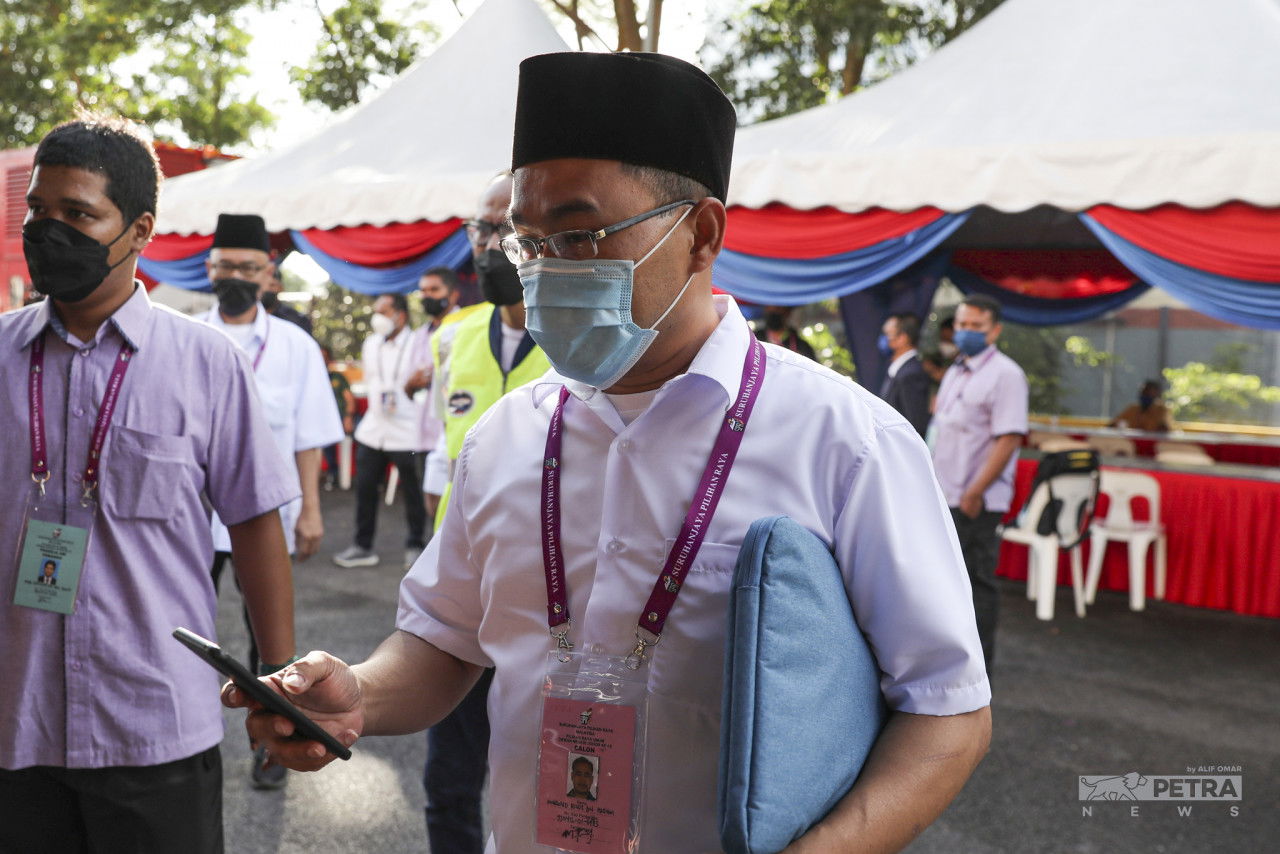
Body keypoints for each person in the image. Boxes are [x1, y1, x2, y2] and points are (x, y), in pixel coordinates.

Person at [226, 53, 990, 854]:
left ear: (699, 235)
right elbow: (444, 639)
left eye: (581, 234)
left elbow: (948, 710)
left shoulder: (845, 443)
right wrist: (357, 694)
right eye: (529, 241)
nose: (546, 271)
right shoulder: (507, 436)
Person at [2, 115, 298, 854]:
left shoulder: (207, 364)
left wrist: (279, 680)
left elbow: (255, 522)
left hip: (154, 727)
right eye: (39, 210)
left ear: (137, 232)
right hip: (15, 724)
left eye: (77, 215)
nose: (49, 230)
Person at [417, 174, 548, 854]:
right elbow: (444, 457)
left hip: (551, 603)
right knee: (449, 779)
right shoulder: (451, 338)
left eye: (508, 230)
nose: (491, 245)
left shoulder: (579, 344)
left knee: (544, 784)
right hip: (467, 598)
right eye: (481, 229)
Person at [199, 213, 343, 789]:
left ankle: (272, 744)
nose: (235, 275)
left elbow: (308, 436)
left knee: (269, 643)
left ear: (268, 275)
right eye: (225, 265)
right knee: (181, 628)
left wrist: (309, 508)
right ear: (208, 270)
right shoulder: (185, 339)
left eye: (247, 266)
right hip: (192, 520)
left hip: (267, 519)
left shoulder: (294, 346)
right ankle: (180, 738)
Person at [931, 293, 1028, 676]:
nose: (967, 332)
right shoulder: (956, 369)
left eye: (976, 326)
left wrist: (975, 492)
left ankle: (979, 670)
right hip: (944, 492)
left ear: (995, 330)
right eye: (962, 325)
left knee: (976, 581)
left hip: (975, 500)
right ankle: (949, 663)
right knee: (945, 582)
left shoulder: (1006, 374)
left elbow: (1009, 438)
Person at [333, 293, 427, 569]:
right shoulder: (371, 343)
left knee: (413, 492)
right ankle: (362, 546)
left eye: (383, 311)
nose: (377, 317)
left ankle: (415, 544)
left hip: (406, 428)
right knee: (364, 489)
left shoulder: (417, 343)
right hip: (373, 429)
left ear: (401, 315)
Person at [402, 266, 470, 526]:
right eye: (423, 291)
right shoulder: (420, 335)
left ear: (453, 295)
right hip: (424, 433)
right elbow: (407, 387)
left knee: (457, 508)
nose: (427, 296)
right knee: (431, 504)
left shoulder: (467, 328)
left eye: (435, 290)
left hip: (455, 434)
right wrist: (412, 383)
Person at [877, 312, 930, 437]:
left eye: (887, 334)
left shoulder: (910, 374)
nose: (884, 339)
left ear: (903, 338)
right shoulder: (898, 370)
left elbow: (915, 424)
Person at [321, 345, 356, 490]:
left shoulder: (338, 378)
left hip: (342, 419)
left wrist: (348, 417)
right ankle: (333, 473)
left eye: (324, 357)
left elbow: (350, 400)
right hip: (323, 423)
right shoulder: (311, 378)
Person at [261, 266, 313, 334]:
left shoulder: (297, 320)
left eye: (272, 285)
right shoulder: (246, 315)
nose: (266, 289)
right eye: (262, 286)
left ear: (281, 288)